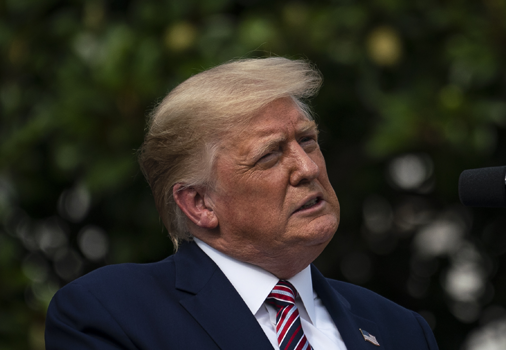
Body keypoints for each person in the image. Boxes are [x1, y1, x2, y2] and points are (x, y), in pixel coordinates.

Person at [45, 57, 440, 350]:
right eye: (269, 156)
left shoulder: (400, 330)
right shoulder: (110, 314)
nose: (306, 167)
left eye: (307, 141)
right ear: (199, 203)